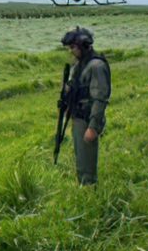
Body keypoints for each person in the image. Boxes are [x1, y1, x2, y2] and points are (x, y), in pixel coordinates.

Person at [61, 27, 111, 185]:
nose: (71, 51)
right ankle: (84, 187)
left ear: (83, 45)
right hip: (78, 117)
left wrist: (93, 127)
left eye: (73, 47)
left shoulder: (96, 66)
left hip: (87, 119)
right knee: (80, 158)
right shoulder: (80, 65)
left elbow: (100, 99)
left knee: (87, 164)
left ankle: (90, 194)